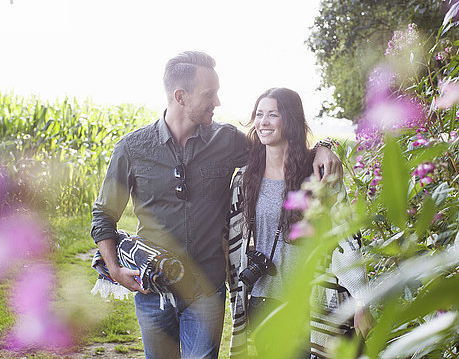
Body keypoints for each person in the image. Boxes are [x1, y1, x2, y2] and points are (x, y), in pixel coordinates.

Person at [90, 52, 343, 359]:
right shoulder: (131, 148)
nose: (218, 102)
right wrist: (114, 269)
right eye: (209, 94)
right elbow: (104, 214)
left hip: (206, 290)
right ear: (180, 96)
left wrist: (321, 149)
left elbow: (279, 145)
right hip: (151, 290)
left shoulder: (227, 140)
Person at [226, 88, 368, 358]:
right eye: (259, 114)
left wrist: (361, 300)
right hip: (264, 302)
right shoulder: (243, 180)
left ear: (289, 120)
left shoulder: (320, 176)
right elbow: (232, 241)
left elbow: (347, 238)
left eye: (272, 114)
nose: (263, 122)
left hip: (314, 301)